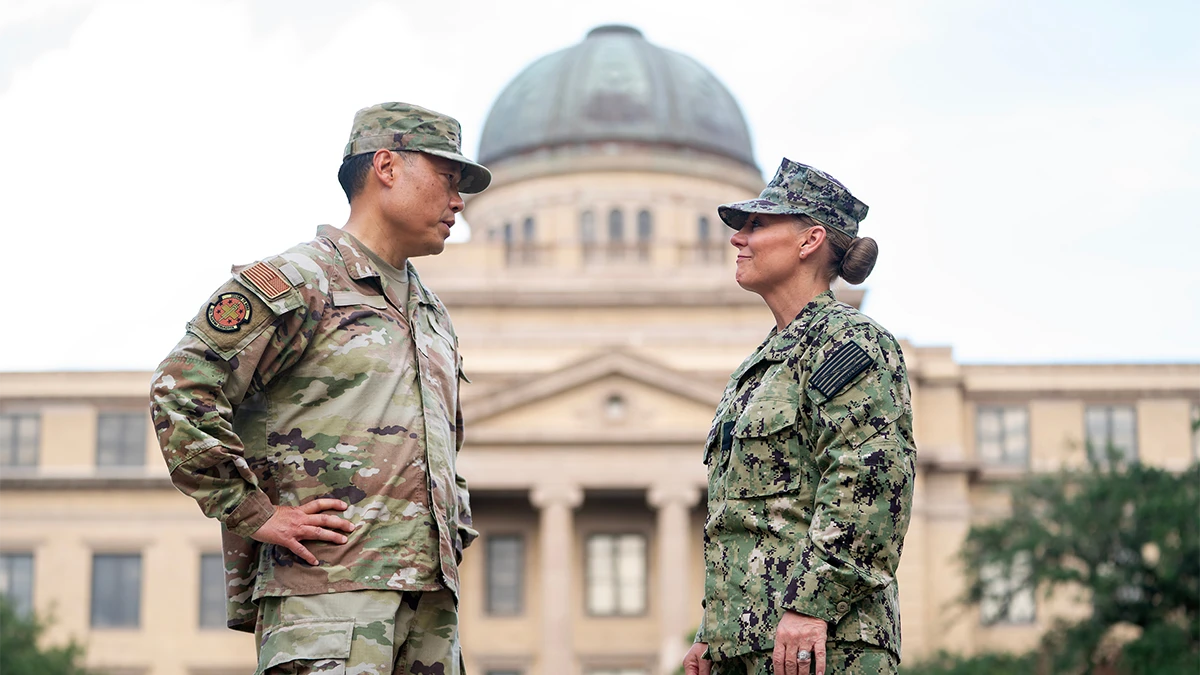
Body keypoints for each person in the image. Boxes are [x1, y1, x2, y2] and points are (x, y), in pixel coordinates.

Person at [149, 102, 491, 674]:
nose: (459, 201)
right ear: (386, 167)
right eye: (448, 179)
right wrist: (256, 513)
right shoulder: (302, 282)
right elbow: (181, 388)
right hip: (326, 601)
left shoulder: (430, 312)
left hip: (430, 609)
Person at [683, 159, 916, 675]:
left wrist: (812, 605)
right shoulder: (762, 365)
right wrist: (714, 634)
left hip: (824, 644)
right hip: (751, 647)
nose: (737, 240)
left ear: (810, 240)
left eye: (756, 226)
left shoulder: (849, 342)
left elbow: (870, 485)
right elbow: (746, 515)